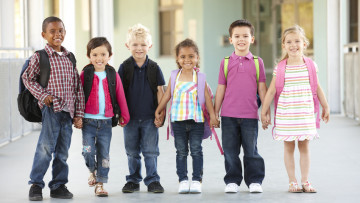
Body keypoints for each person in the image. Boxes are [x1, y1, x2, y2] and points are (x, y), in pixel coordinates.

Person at [260, 25, 329, 193]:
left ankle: (305, 181)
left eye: (297, 41)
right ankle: (292, 182)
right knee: (289, 147)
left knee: (305, 147)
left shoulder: (311, 66)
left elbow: (318, 87)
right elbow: (271, 90)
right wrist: (264, 111)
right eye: (289, 42)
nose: (293, 45)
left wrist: (325, 105)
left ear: (304, 43)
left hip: (305, 114)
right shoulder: (281, 67)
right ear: (283, 45)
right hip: (287, 115)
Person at [22, 16, 85, 201]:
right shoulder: (39, 56)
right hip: (51, 109)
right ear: (44, 34)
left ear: (64, 33)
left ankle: (58, 185)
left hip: (67, 112)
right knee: (45, 148)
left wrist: (78, 114)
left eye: (60, 31)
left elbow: (77, 88)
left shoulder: (69, 57)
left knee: (63, 151)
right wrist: (43, 96)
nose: (57, 34)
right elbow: (28, 79)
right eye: (52, 31)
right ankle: (36, 184)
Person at [155, 38, 219, 194]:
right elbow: (167, 94)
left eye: (191, 56)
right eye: (183, 56)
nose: (187, 60)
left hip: (196, 121)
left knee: (196, 150)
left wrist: (213, 116)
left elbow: (208, 100)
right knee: (181, 151)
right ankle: (183, 180)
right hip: (178, 121)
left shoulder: (200, 77)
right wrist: (159, 109)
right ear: (177, 59)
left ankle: (197, 180)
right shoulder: (174, 76)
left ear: (197, 58)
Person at [214, 19, 269, 193]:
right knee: (230, 151)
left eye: (245, 36)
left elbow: (262, 89)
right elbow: (221, 88)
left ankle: (255, 181)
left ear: (252, 39)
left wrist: (265, 112)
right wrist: (215, 112)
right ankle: (232, 180)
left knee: (251, 151)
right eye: (237, 36)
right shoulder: (225, 61)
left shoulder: (257, 62)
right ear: (231, 39)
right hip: (228, 115)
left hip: (250, 115)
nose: (241, 39)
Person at [118, 23, 166, 193]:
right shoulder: (124, 67)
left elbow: (161, 91)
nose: (139, 48)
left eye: (143, 44)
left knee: (151, 151)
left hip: (149, 118)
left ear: (149, 46)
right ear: (127, 45)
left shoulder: (154, 68)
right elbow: (119, 93)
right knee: (132, 151)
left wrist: (160, 113)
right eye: (135, 44)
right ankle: (133, 180)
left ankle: (153, 180)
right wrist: (120, 115)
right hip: (129, 118)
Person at [80, 37, 130, 197]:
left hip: (106, 123)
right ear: (89, 56)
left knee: (104, 154)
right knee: (87, 150)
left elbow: (120, 95)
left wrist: (125, 115)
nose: (99, 58)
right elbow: (78, 96)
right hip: (88, 121)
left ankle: (100, 184)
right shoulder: (85, 74)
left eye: (103, 54)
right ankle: (92, 170)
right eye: (94, 54)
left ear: (109, 55)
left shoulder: (112, 75)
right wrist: (77, 116)